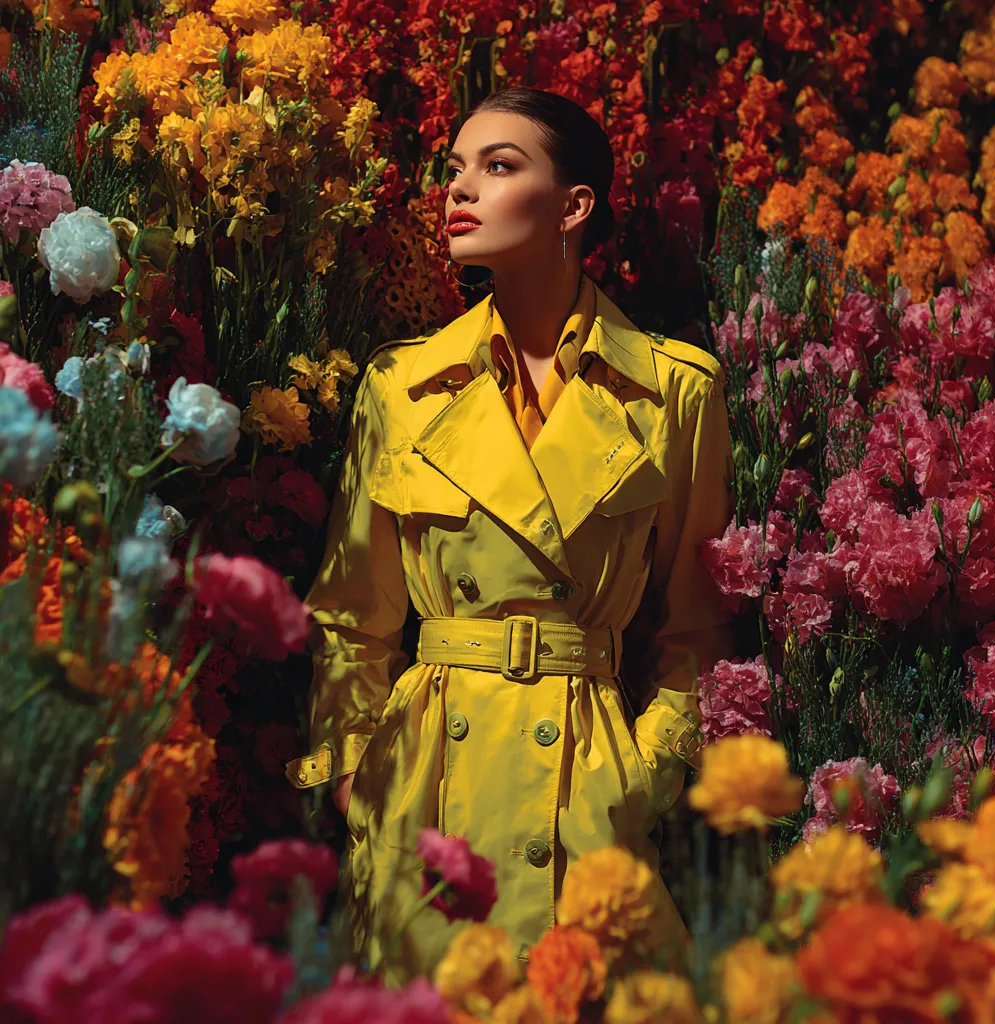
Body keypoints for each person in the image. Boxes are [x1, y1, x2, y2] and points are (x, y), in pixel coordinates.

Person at [285, 86, 737, 983]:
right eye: (455, 169)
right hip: (426, 788)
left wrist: (643, 778)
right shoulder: (401, 386)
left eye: (498, 166)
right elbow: (349, 616)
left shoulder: (676, 390)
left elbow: (695, 629)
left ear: (574, 206)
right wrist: (356, 784)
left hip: (586, 786)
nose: (461, 188)